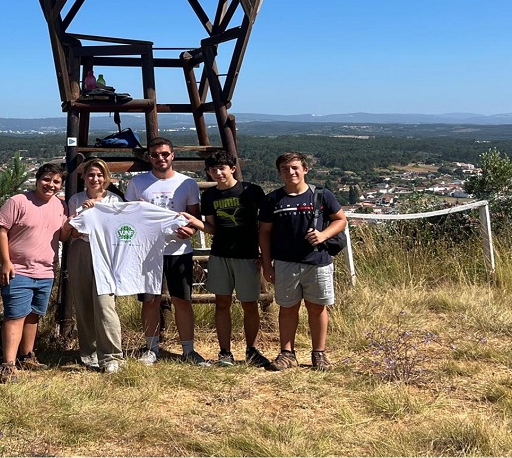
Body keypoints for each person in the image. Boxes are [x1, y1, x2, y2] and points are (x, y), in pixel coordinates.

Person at [259, 152, 348, 371]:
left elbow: (341, 220)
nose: (291, 172)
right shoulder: (273, 199)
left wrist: (323, 235)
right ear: (279, 173)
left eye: (295, 168)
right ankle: (287, 354)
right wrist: (267, 264)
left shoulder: (322, 195)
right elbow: (264, 233)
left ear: (305, 169)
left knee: (317, 308)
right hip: (285, 262)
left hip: (317, 261)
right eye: (285, 169)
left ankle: (319, 354)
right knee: (287, 308)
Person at [180, 151, 269, 367]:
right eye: (213, 170)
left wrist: (265, 255)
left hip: (248, 255)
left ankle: (252, 350)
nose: (218, 173)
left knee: (249, 304)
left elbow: (265, 226)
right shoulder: (209, 197)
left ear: (232, 168)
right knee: (222, 304)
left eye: (222, 168)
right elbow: (212, 228)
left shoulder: (251, 191)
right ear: (208, 173)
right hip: (220, 255)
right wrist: (195, 222)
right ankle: (225, 352)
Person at [125, 137, 208, 366]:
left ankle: (188, 350)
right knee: (150, 301)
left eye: (164, 154)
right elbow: (129, 218)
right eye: (155, 154)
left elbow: (194, 216)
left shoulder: (187, 184)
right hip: (147, 252)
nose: (160, 158)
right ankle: (151, 348)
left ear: (172, 155)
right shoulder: (137, 184)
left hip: (179, 250)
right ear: (148, 157)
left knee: (182, 300)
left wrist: (190, 230)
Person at [0, 162, 70, 383]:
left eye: (56, 181)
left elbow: (62, 237)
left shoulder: (60, 206)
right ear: (37, 179)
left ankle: (27, 355)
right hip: (18, 270)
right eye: (47, 179)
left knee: (34, 314)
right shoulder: (18, 201)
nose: (51, 185)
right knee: (15, 315)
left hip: (46, 271)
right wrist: (5, 261)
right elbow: (0, 230)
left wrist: (72, 226)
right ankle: (8, 365)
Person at [65, 159, 126, 374]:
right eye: (91, 175)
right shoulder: (76, 199)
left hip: (106, 254)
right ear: (84, 177)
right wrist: (81, 212)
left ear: (106, 177)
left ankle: (111, 355)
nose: (95, 179)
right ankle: (89, 353)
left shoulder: (115, 201)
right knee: (82, 303)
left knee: (104, 305)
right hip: (81, 250)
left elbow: (120, 231)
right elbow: (71, 231)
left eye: (100, 175)